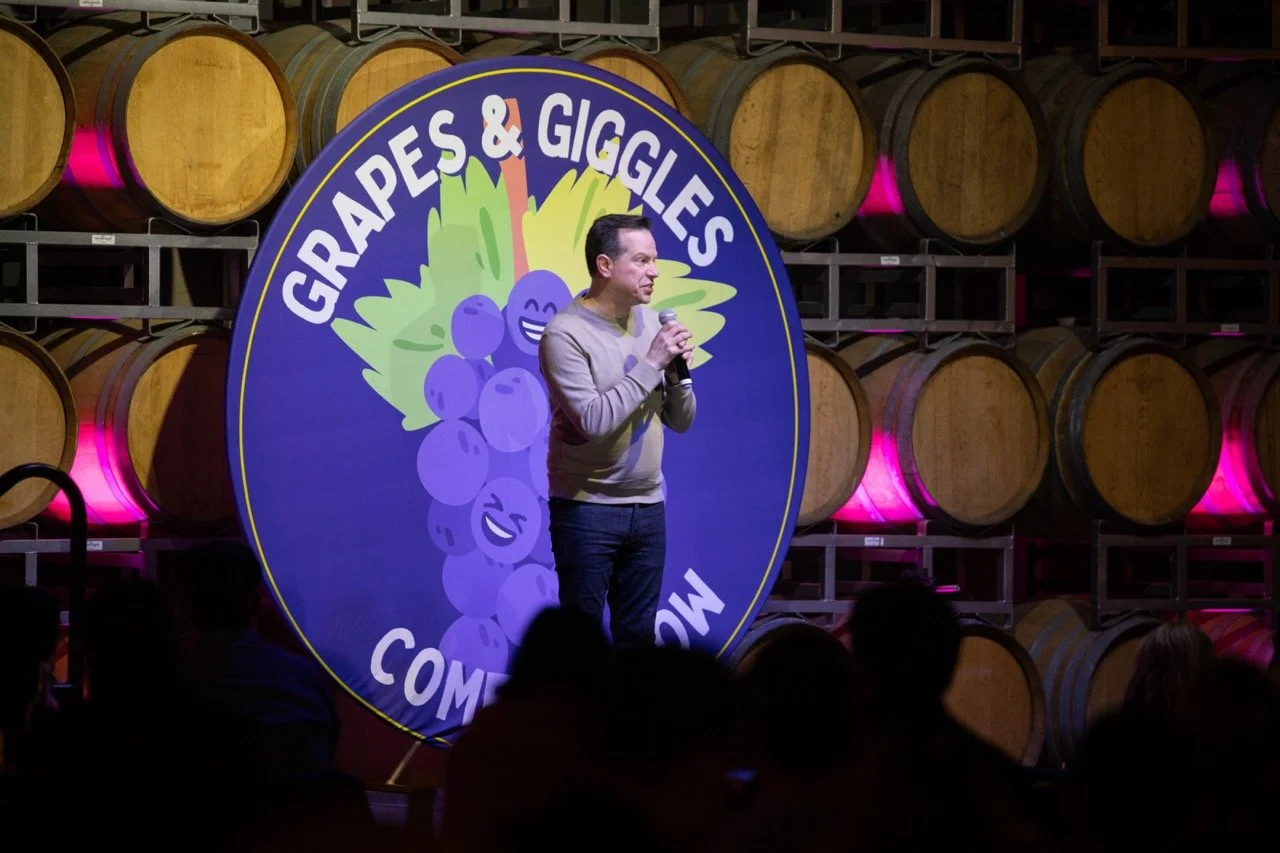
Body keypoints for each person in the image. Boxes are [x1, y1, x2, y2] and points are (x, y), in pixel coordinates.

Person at [537, 213, 696, 648]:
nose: (654, 271)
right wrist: (652, 364)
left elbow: (681, 421)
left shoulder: (650, 325)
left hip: (648, 507)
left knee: (637, 640)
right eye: (642, 260)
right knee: (581, 644)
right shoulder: (564, 334)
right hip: (587, 510)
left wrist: (679, 373)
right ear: (605, 266)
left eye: (654, 260)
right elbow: (593, 422)